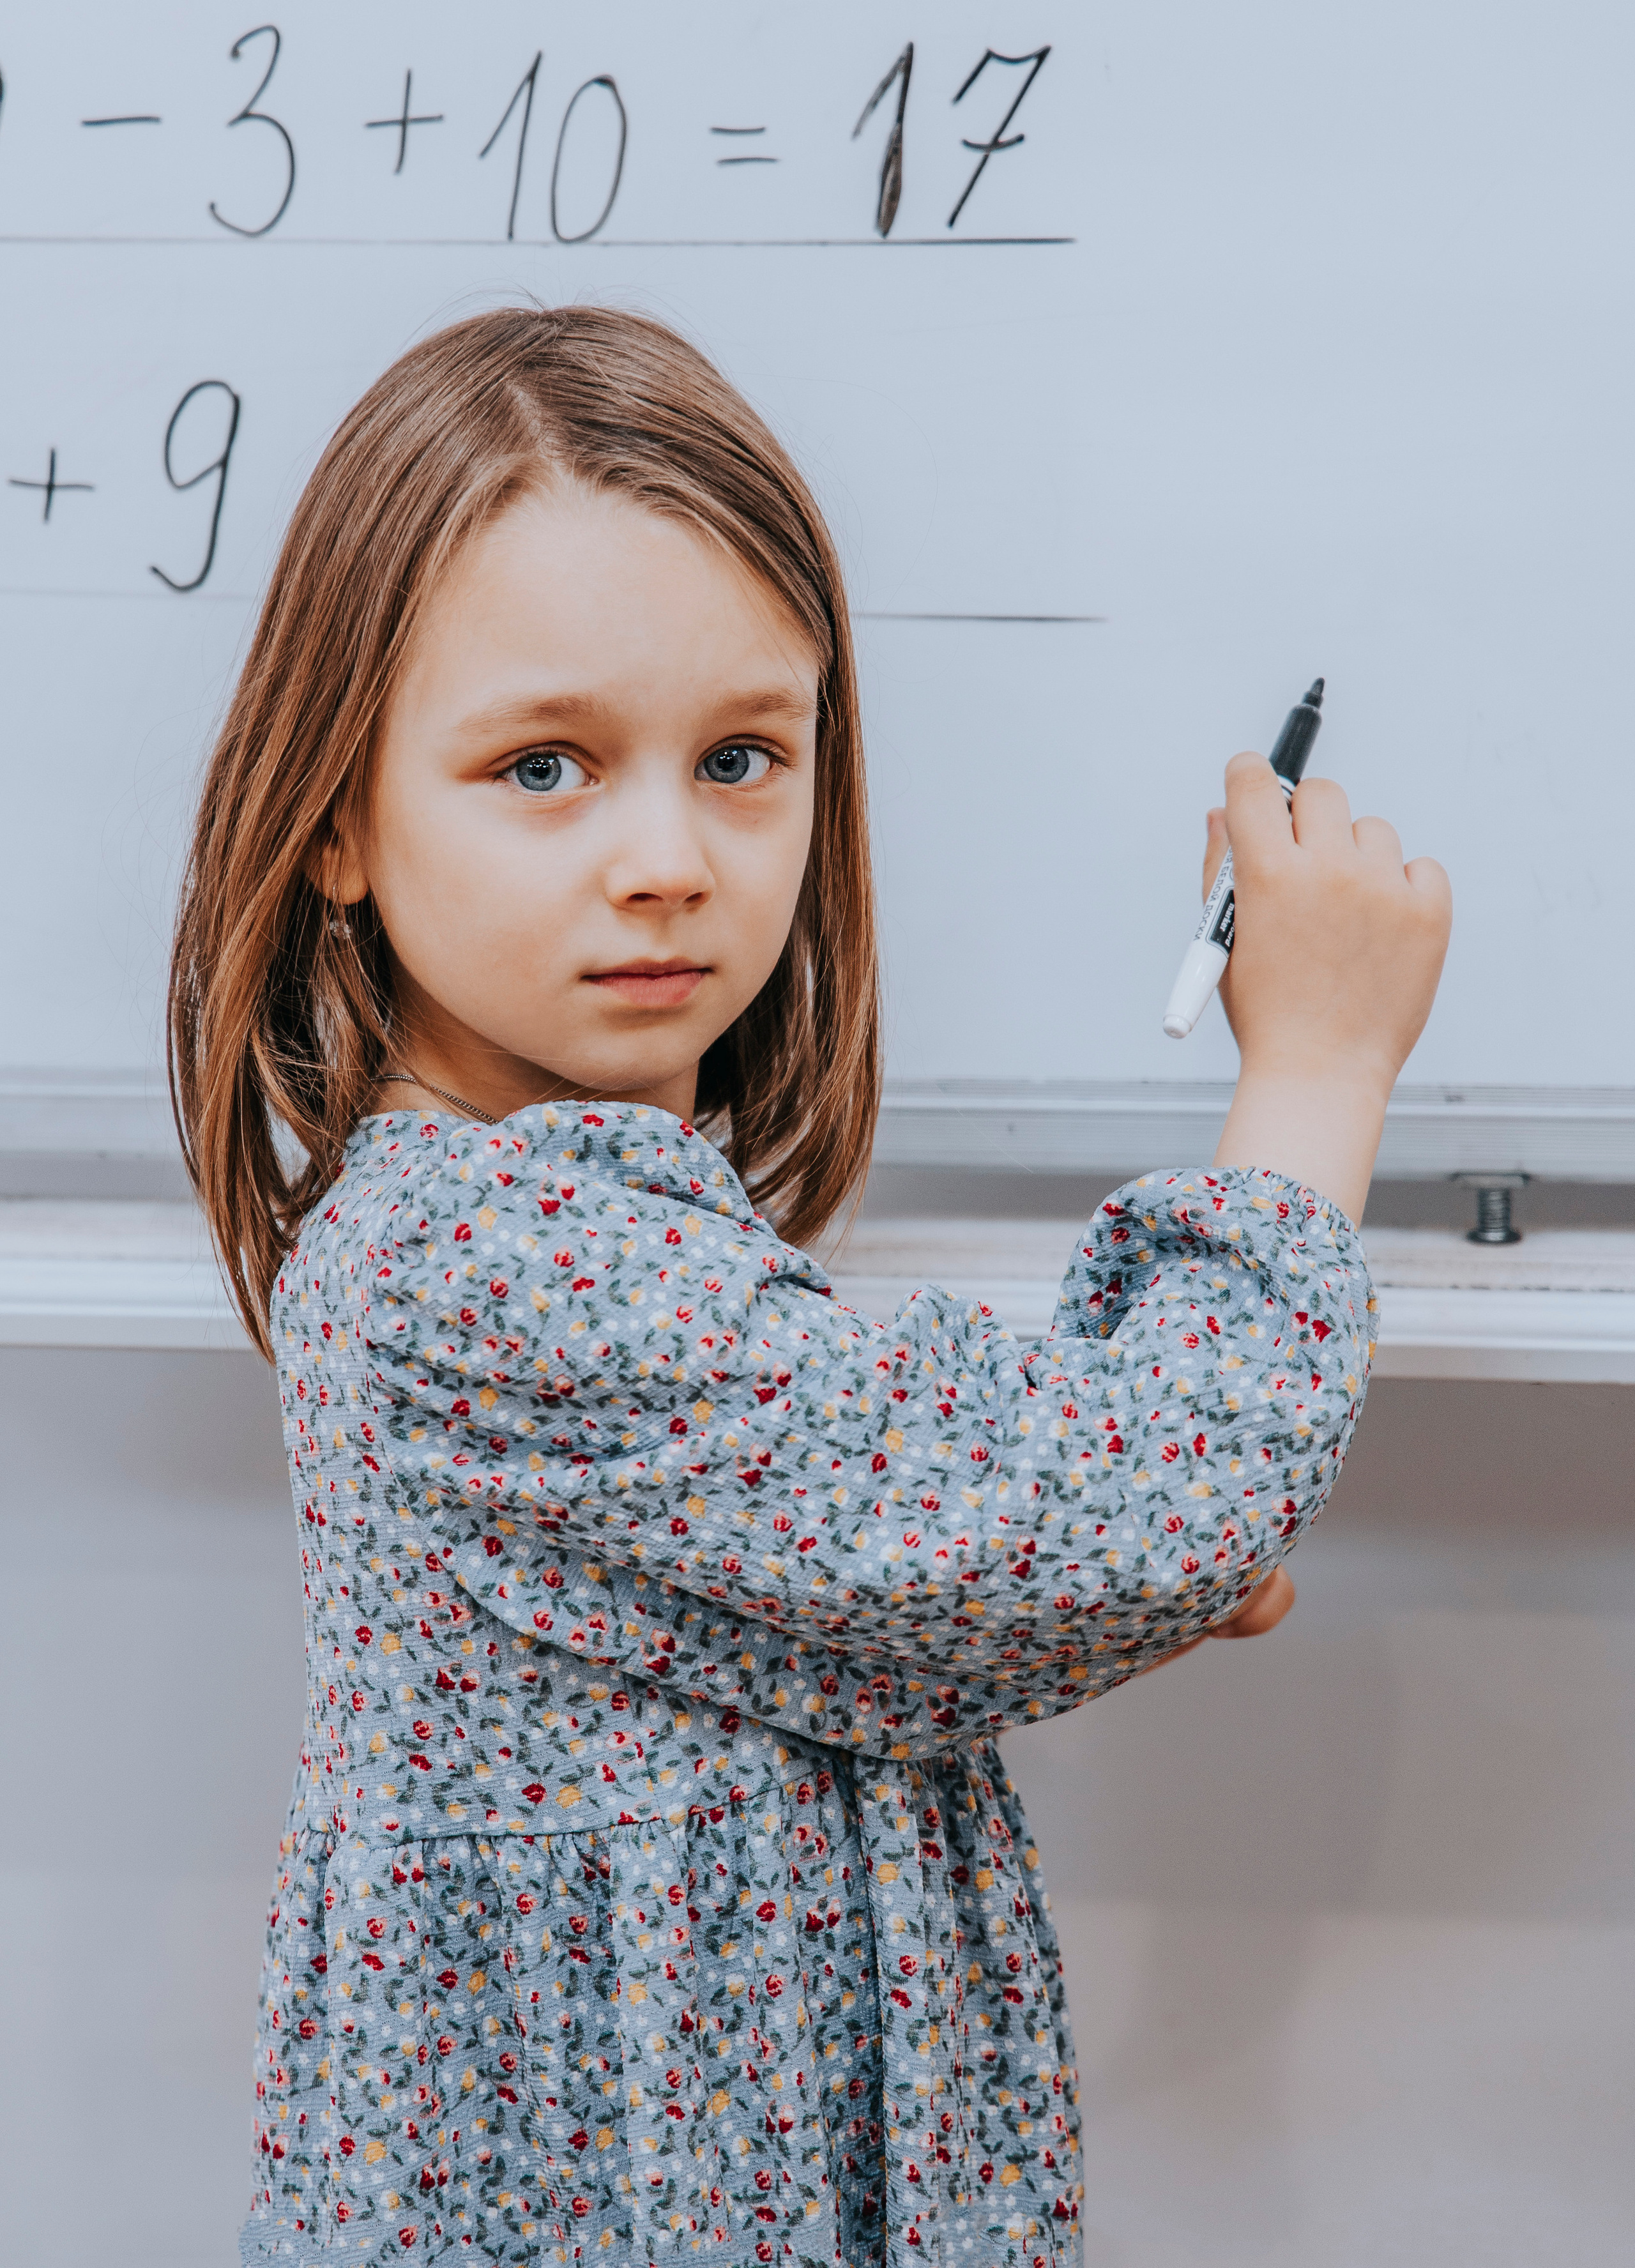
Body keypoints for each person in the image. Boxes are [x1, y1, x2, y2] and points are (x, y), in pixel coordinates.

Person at [169, 305, 1450, 2268]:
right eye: (543, 767)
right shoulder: (505, 1263)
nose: (668, 858)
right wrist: (1323, 1069)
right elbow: (1116, 1510)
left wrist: (1013, 1587)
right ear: (337, 817)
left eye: (742, 757)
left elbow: (936, 1536)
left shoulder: (561, 1233)